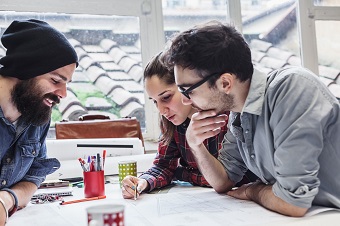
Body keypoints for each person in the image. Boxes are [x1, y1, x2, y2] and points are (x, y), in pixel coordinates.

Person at [166, 20, 340, 217]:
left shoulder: (292, 89)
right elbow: (223, 181)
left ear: (225, 82)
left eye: (187, 90)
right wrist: (196, 145)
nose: (185, 101)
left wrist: (252, 190)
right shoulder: (239, 111)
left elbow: (292, 203)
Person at [121, 52, 257, 199]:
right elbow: (164, 166)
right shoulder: (172, 121)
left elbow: (228, 179)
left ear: (186, 86)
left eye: (166, 97)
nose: (161, 110)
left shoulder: (228, 114)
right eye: (154, 101)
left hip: (243, 200)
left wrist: (182, 173)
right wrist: (144, 181)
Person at [0, 19, 78, 224]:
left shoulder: (37, 111)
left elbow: (34, 175)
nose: (63, 94)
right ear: (25, 70)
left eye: (66, 83)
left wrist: (7, 199)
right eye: (55, 80)